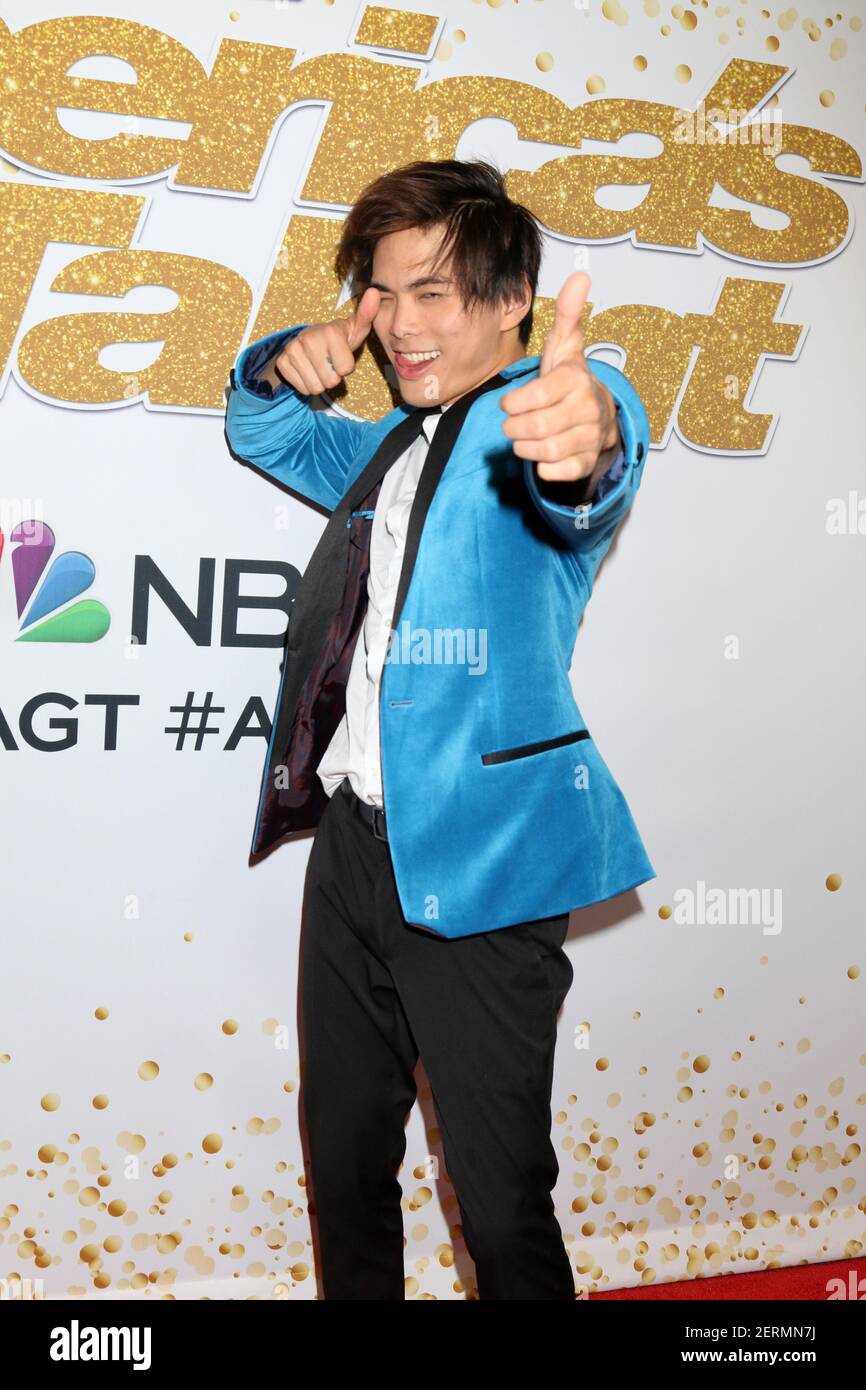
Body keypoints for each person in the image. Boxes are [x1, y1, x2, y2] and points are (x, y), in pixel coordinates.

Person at [224, 158, 654, 1300]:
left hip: (484, 852)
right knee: (346, 1152)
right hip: (353, 850)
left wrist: (588, 436)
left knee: (499, 1189)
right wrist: (278, 359)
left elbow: (590, 465)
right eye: (382, 296)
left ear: (512, 298)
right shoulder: (385, 448)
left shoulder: (534, 424)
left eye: (433, 293)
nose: (400, 328)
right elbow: (260, 429)